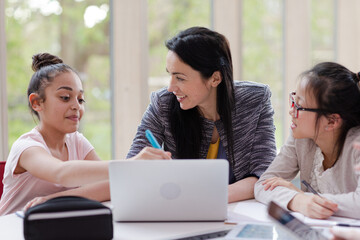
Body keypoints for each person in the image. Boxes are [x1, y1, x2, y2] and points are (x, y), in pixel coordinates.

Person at [0, 53, 171, 215]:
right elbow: (62, 173)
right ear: (37, 102)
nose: (76, 106)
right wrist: (131, 164)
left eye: (80, 99)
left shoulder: (77, 142)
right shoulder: (26, 147)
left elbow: (111, 185)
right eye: (65, 97)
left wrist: (53, 200)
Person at [127, 27, 277, 203]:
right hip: (181, 209)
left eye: (180, 78)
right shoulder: (164, 103)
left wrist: (208, 197)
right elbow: (132, 169)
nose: (171, 87)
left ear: (215, 78)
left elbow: (265, 175)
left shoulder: (255, 100)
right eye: (170, 75)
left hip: (239, 212)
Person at [254, 62, 360, 219]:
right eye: (293, 100)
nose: (291, 111)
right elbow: (263, 185)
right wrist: (297, 200)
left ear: (331, 121)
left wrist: (307, 198)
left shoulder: (356, 145)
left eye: (299, 106)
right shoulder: (302, 138)